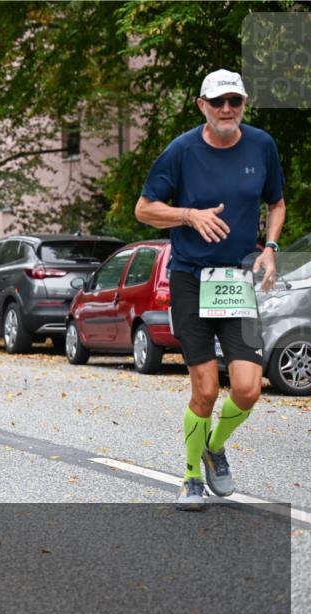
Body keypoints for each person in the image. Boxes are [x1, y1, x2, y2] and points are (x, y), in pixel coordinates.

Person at [135, 69, 286, 511]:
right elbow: (145, 209)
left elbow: (275, 203)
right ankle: (191, 477)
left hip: (237, 280)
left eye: (234, 102)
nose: (226, 110)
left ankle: (214, 445)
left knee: (248, 388)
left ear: (244, 104)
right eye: (217, 102)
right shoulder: (181, 151)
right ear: (201, 104)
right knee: (204, 391)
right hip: (190, 279)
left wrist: (271, 248)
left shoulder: (262, 146)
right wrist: (188, 216)